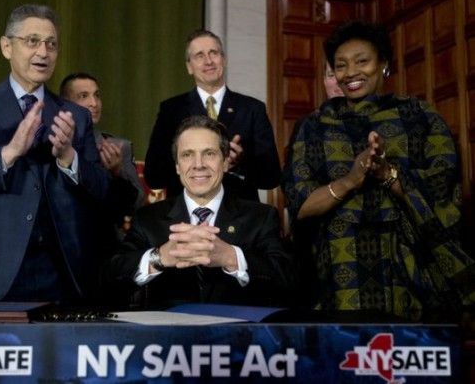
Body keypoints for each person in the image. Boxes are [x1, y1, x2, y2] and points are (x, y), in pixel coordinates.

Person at [282, 20, 474, 321]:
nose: (351, 73)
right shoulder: (313, 126)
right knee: (344, 357)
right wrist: (350, 180)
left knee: (404, 358)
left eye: (362, 61)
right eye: (341, 65)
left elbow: (444, 186)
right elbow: (301, 204)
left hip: (408, 270)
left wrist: (388, 174)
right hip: (337, 272)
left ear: (383, 64)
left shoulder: (419, 116)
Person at [0, 4, 109, 307]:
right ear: (7, 47)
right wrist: (8, 154)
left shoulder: (75, 116)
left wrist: (69, 157)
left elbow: (101, 189)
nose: (43, 52)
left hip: (60, 273)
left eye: (51, 44)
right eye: (32, 41)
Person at [106, 116, 295, 308]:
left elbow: (289, 282)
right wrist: (160, 256)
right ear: (178, 166)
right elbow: (110, 279)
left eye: (209, 154)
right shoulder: (148, 219)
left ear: (225, 163)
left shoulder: (261, 217)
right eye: (187, 155)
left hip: (240, 335)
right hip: (171, 335)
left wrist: (231, 257)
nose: (198, 164)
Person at [144, 30, 280, 201]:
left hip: (240, 216)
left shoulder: (252, 109)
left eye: (213, 53)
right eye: (199, 55)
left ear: (224, 59)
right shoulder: (171, 110)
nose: (208, 61)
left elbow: (272, 178)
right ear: (189, 67)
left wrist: (241, 163)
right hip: (187, 217)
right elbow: (154, 176)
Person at [60, 72, 144, 234]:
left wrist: (117, 173)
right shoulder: (54, 146)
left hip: (106, 240)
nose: (94, 103)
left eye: (97, 96)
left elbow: (137, 203)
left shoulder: (118, 147)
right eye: (83, 96)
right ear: (65, 104)